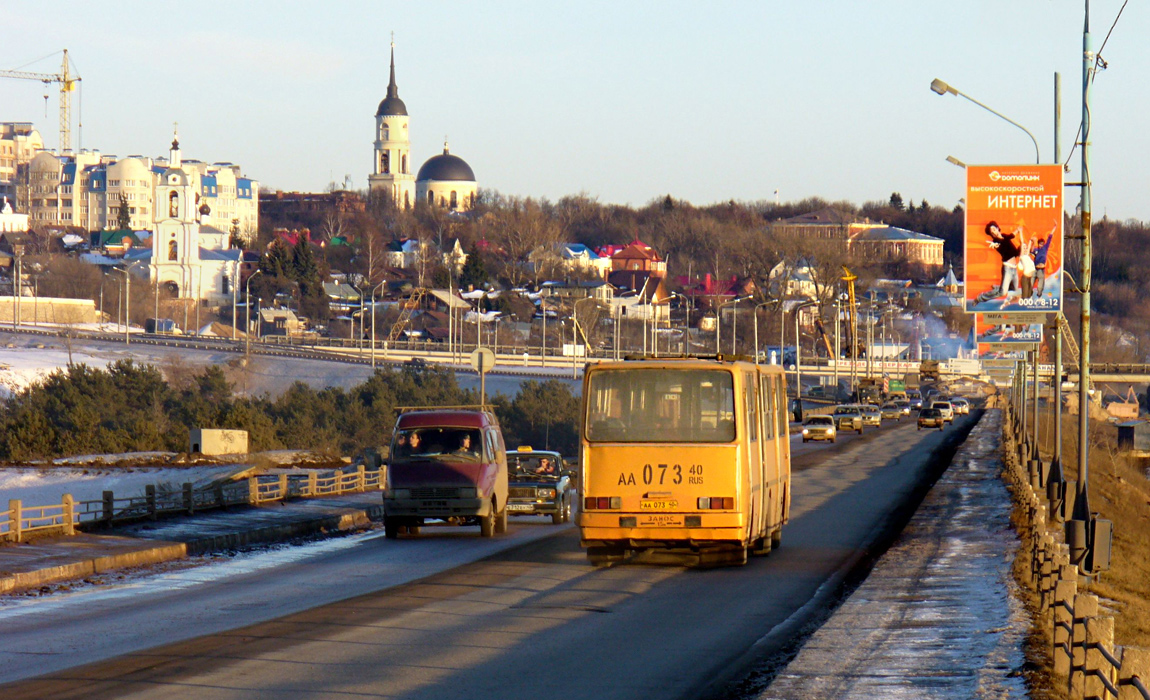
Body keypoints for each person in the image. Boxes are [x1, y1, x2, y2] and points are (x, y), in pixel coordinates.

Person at [974, 221, 1020, 305]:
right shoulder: (996, 242)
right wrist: (994, 245)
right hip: (1007, 268)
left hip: (1014, 268)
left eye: (994, 229)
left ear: (998, 228)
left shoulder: (1005, 236)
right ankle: (980, 298)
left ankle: (998, 288)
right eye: (992, 232)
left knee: (1014, 290)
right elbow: (999, 244)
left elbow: (1011, 235)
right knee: (1002, 293)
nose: (994, 232)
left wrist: (1018, 230)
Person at [1031, 224, 1056, 297]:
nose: (1041, 245)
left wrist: (1054, 227)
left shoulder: (1044, 248)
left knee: (1040, 282)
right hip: (1035, 268)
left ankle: (1039, 293)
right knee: (1032, 281)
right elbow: (1031, 250)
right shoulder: (1036, 249)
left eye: (1042, 244)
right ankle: (1029, 292)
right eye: (1040, 244)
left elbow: (1050, 237)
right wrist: (1032, 242)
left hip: (1041, 268)